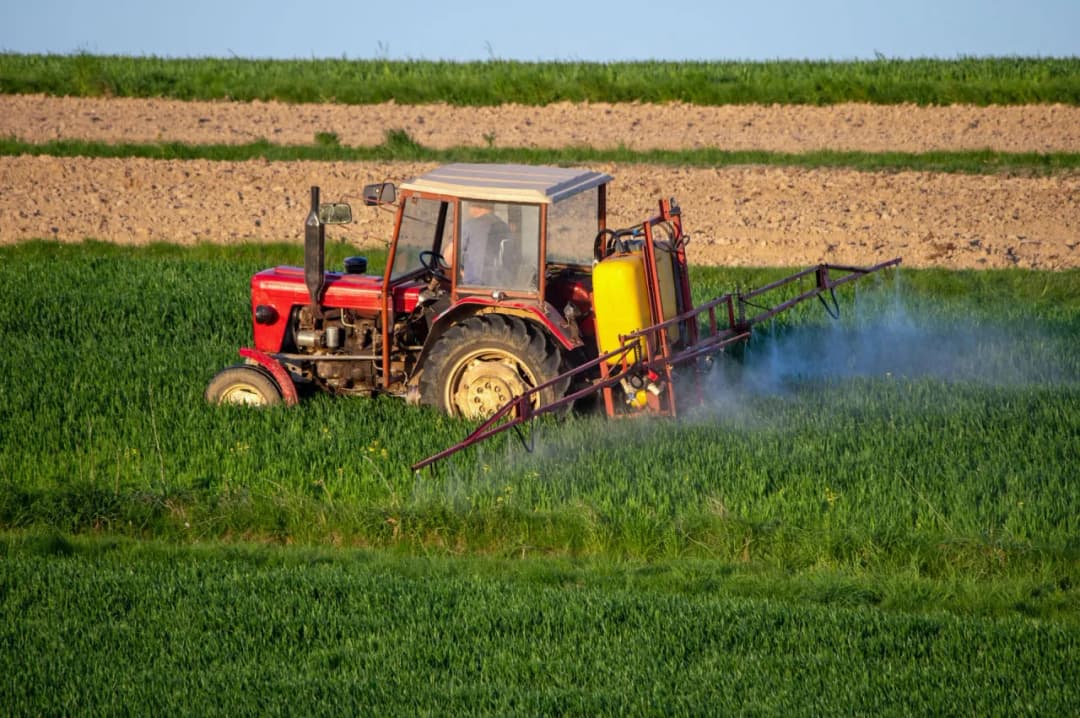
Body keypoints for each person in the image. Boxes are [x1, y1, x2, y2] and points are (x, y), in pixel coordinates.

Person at [458, 201, 515, 286]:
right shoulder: (504, 227)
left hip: (474, 287)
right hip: (500, 288)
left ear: (475, 206)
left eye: (469, 205)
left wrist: (463, 274)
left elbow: (449, 259)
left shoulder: (470, 226)